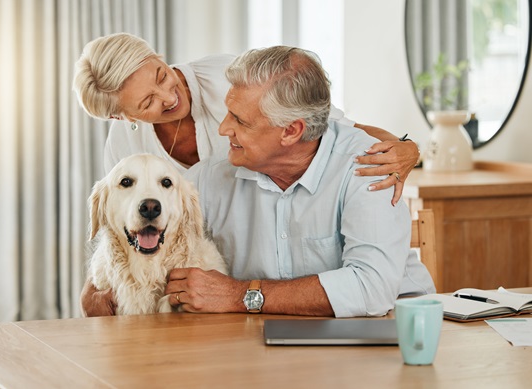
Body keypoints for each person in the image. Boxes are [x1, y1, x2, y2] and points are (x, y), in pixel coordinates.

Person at [81, 45, 435, 318]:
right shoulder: (208, 178)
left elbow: (370, 288)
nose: (222, 129)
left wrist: (239, 296)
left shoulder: (369, 167)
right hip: (263, 340)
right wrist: (96, 284)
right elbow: (138, 231)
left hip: (392, 331)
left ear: (292, 131)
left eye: (238, 120)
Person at [73, 33, 419, 205]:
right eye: (147, 102)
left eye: (161, 76)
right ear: (121, 116)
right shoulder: (124, 146)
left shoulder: (227, 78)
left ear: (157, 57)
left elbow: (326, 124)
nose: (168, 97)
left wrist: (405, 149)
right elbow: (118, 219)